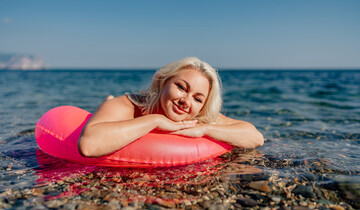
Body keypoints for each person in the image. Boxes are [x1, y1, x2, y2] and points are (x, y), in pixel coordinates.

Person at [78, 57, 264, 157]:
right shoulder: (129, 105)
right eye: (181, 87)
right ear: (163, 82)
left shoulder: (195, 118)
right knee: (108, 104)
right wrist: (156, 120)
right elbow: (88, 146)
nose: (186, 101)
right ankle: (104, 102)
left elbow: (255, 137)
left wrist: (205, 129)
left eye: (198, 99)